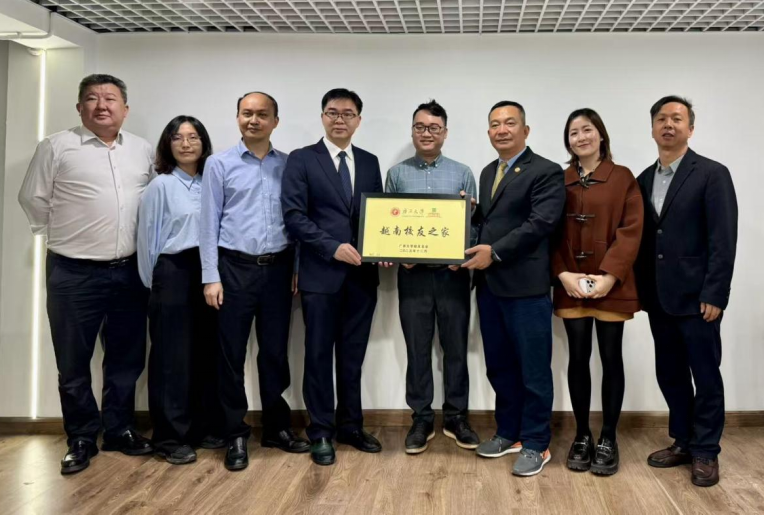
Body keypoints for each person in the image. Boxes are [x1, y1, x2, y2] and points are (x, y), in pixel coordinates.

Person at [18, 74, 154, 474]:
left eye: (110, 99)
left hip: (129, 272)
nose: (102, 105)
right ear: (80, 108)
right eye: (92, 99)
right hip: (72, 272)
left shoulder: (142, 149)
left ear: (125, 109)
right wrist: (66, 234)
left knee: (126, 357)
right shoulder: (56, 146)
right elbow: (33, 198)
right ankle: (80, 436)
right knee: (73, 361)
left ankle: (119, 429)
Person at [200, 92, 309, 472]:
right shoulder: (219, 164)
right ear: (237, 118)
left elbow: (297, 220)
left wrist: (296, 267)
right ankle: (235, 433)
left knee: (275, 352)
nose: (254, 120)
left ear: (275, 121)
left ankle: (276, 428)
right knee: (230, 356)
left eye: (262, 114)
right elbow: (208, 223)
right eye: (247, 113)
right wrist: (210, 277)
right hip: (234, 269)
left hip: (279, 269)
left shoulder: (289, 164)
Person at [635, 96, 737, 487]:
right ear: (652, 128)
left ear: (690, 128)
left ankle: (706, 450)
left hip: (698, 300)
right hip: (659, 299)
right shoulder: (644, 179)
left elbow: (723, 239)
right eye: (661, 118)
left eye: (677, 118)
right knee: (671, 373)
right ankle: (683, 440)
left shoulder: (712, 174)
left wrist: (716, 293)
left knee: (706, 376)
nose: (668, 124)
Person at [282, 88, 383, 466]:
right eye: (332, 112)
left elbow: (378, 216)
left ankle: (351, 426)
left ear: (359, 120)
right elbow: (294, 216)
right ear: (323, 117)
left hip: (362, 277)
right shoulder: (302, 159)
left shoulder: (370, 162)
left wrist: (384, 249)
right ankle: (321, 432)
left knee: (353, 358)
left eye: (348, 113)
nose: (340, 119)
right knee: (319, 355)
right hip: (320, 275)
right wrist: (332, 247)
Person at [465, 100, 565, 477]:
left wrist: (494, 252)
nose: (501, 130)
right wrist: (467, 216)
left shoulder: (546, 171)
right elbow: (493, 221)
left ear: (526, 130)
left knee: (533, 369)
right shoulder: (489, 171)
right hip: (490, 287)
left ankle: (537, 442)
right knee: (500, 365)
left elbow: (541, 223)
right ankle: (509, 432)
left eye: (509, 123)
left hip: (526, 288)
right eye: (495, 124)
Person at [551, 108, 644, 475]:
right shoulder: (560, 180)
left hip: (612, 285)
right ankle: (582, 435)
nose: (581, 137)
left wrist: (609, 276)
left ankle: (608, 437)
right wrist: (563, 273)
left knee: (610, 357)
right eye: (573, 132)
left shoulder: (623, 178)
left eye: (587, 129)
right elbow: (550, 231)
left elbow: (631, 230)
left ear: (601, 134)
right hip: (570, 283)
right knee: (577, 357)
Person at [385, 100, 479, 454]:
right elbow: (387, 224)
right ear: (412, 131)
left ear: (445, 133)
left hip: (453, 276)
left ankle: (456, 417)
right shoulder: (397, 174)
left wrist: (462, 255)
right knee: (417, 348)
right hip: (413, 277)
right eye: (420, 127)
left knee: (455, 349)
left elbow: (475, 224)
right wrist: (399, 255)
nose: (427, 133)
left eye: (434, 128)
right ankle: (421, 418)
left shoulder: (463, 173)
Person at [137, 115, 224, 465]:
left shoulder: (211, 183)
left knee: (204, 352)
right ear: (168, 145)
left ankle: (200, 428)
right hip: (173, 272)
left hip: (210, 272)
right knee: (171, 357)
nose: (186, 144)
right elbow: (147, 241)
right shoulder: (161, 186)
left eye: (193, 137)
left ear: (203, 143)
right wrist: (154, 285)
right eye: (177, 137)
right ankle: (169, 437)